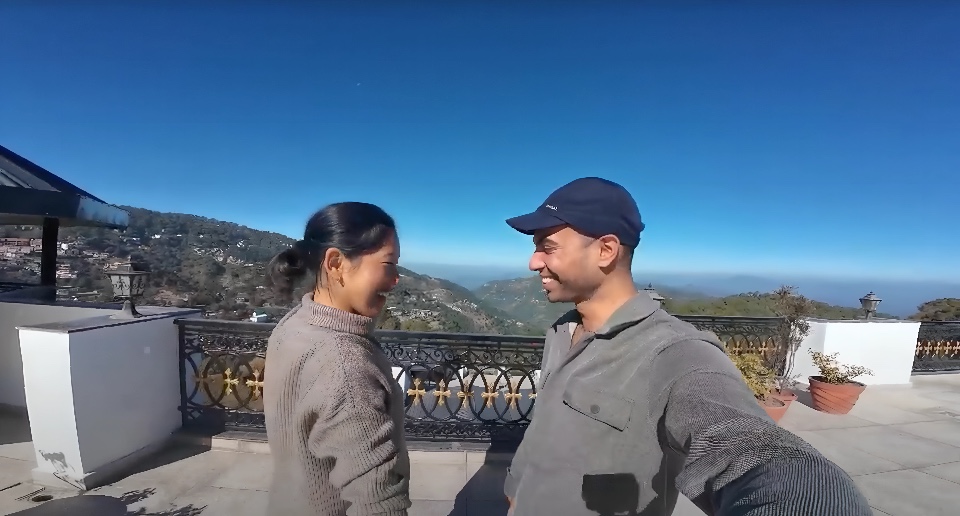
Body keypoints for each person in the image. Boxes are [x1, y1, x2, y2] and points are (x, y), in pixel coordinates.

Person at [501, 177, 871, 516]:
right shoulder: (562, 331)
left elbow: (754, 450)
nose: (534, 262)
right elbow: (544, 432)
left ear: (605, 250)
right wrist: (516, 490)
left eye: (547, 247)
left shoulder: (677, 353)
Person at [263, 202, 410, 516]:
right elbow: (377, 502)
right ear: (336, 263)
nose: (396, 278)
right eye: (388, 264)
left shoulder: (294, 324)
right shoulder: (345, 364)